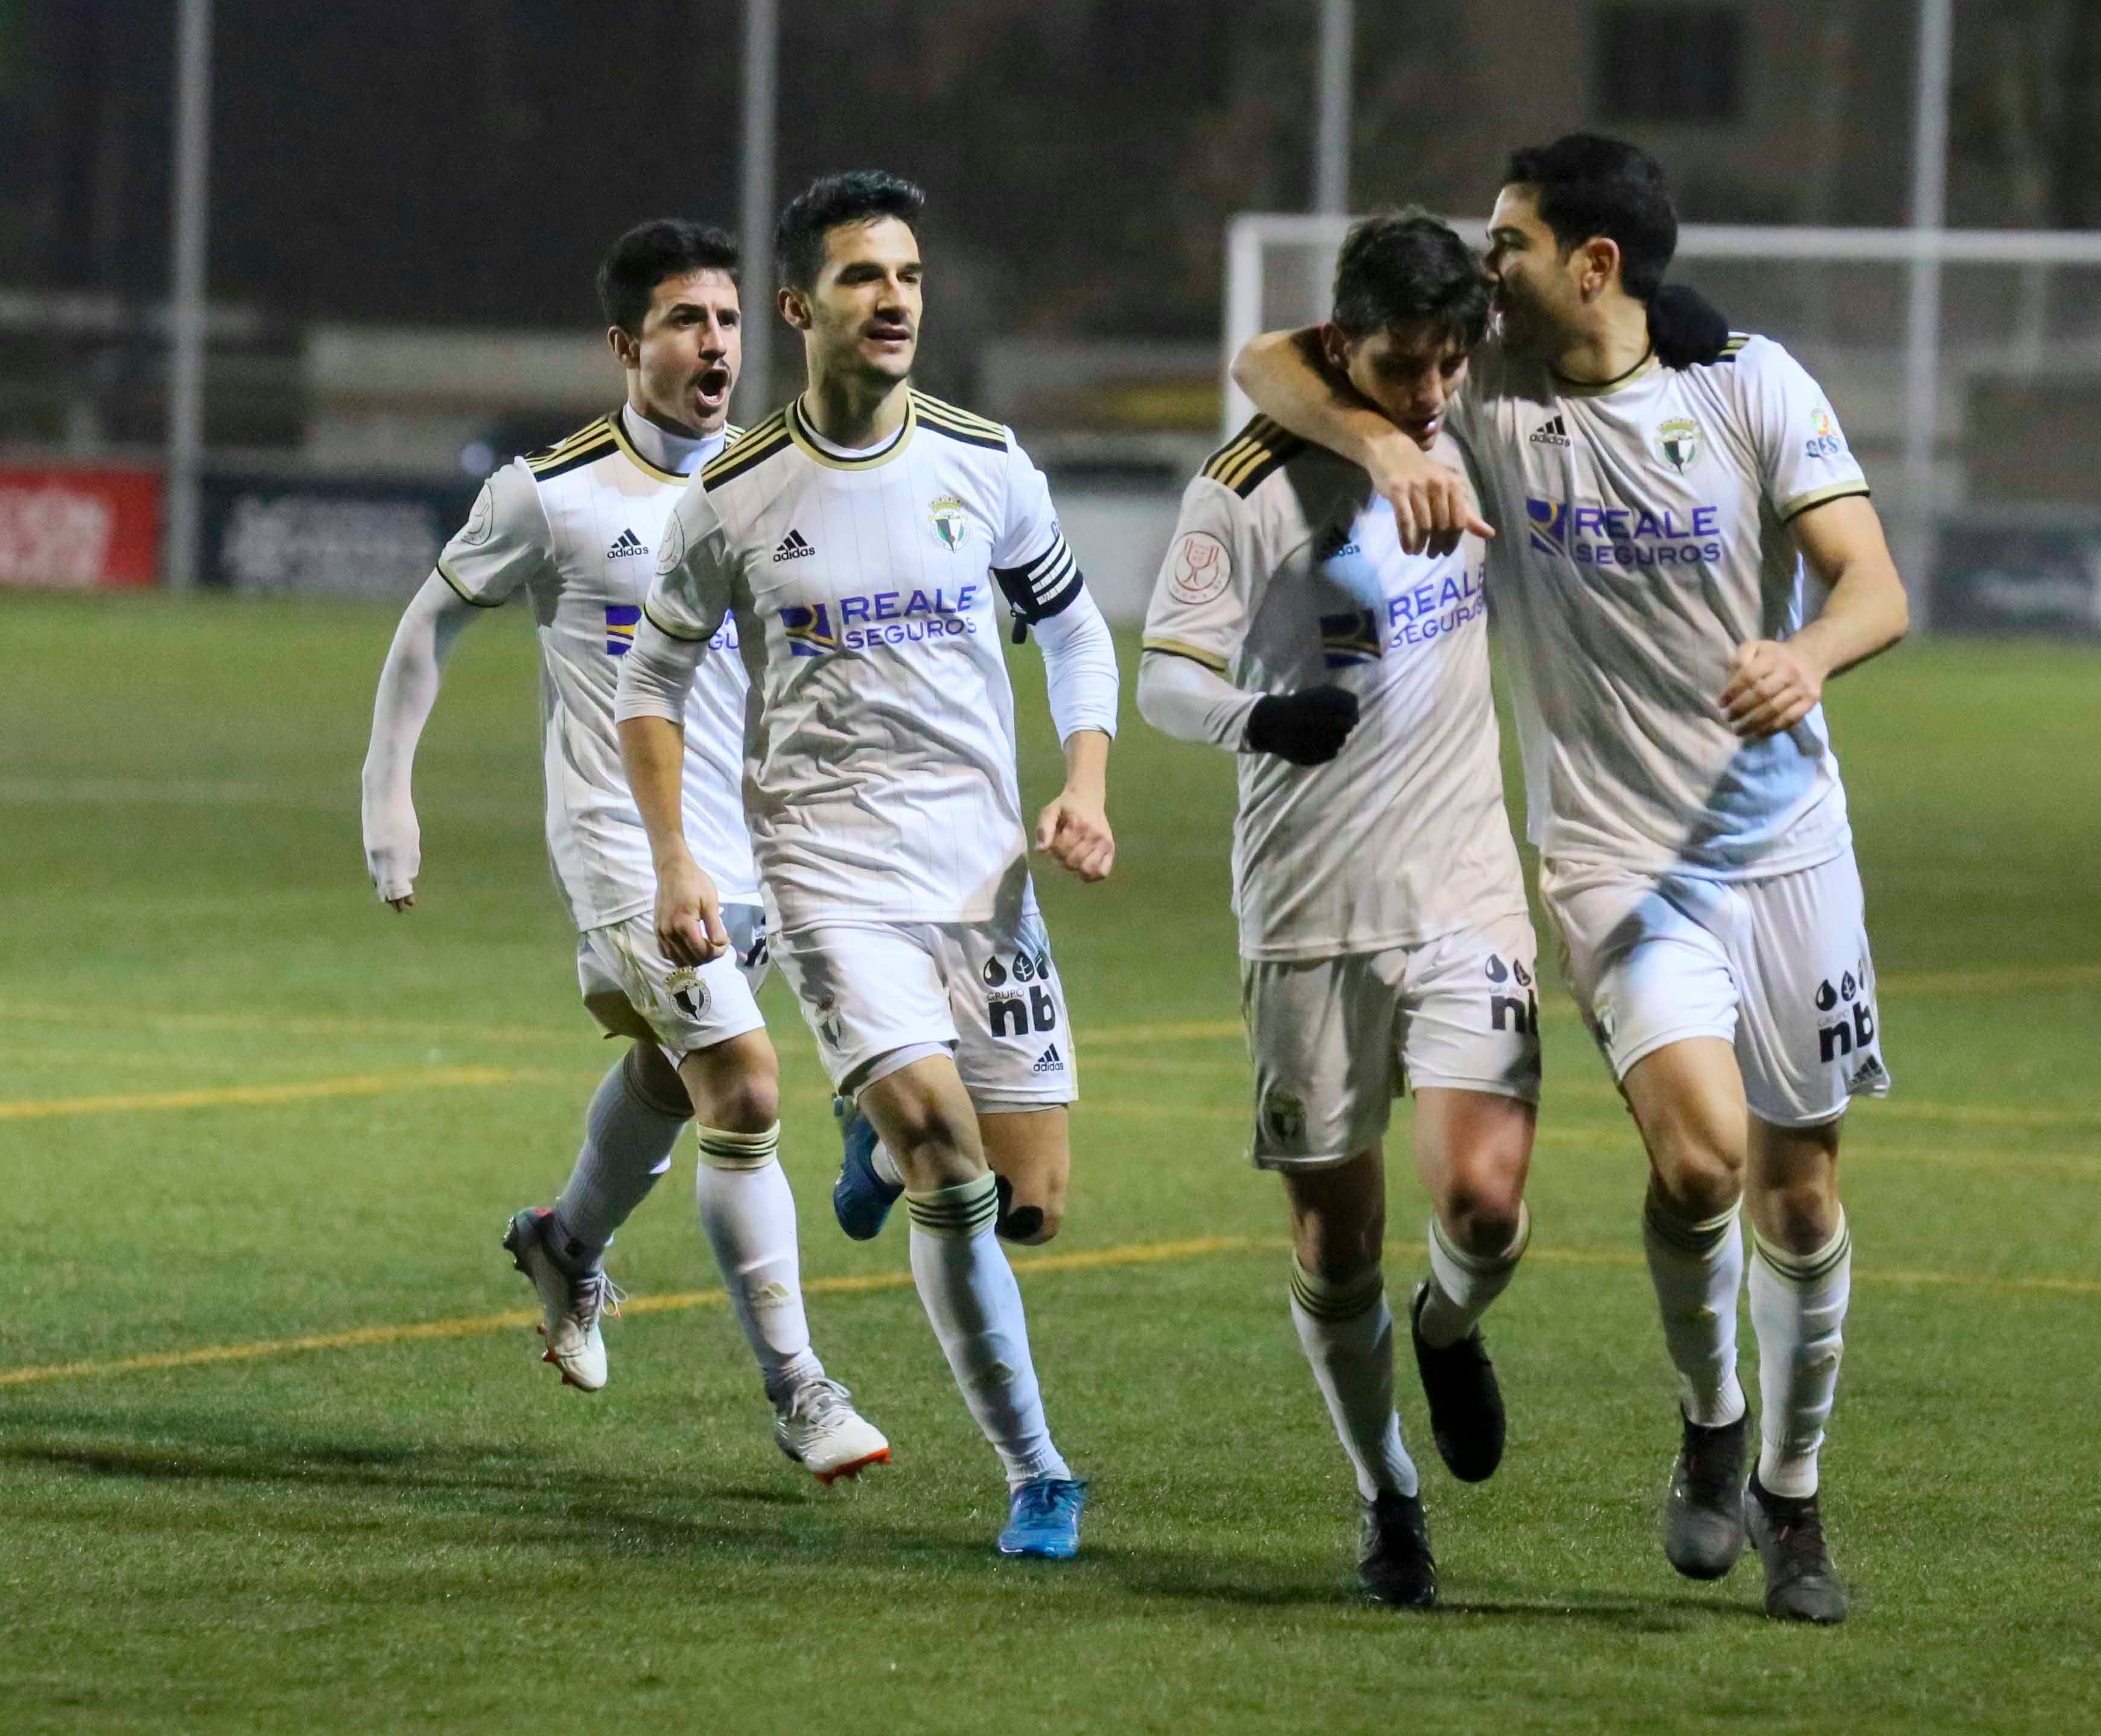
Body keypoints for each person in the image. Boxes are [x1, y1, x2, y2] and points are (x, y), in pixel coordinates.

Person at [1232, 135, 1910, 1624]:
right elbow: (1269, 356)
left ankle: (1790, 1501)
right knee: (1699, 1164)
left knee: (1797, 1202)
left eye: (1513, 240)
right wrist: (1393, 447)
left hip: (1788, 846)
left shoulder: (1749, 386)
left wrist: (1801, 656)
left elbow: (1876, 584)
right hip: (1615, 861)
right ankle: (1712, 1418)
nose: (1488, 265)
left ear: (1594, 264)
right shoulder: (1487, 393)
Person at [614, 170, 1116, 1561]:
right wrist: (676, 862)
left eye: (905, 277)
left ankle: (873, 1131)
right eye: (859, 279)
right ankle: (1038, 1473)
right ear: (799, 307)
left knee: (1033, 1204)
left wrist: (1082, 782)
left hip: (981, 874)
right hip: (827, 867)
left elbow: (1073, 631)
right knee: (946, 1152)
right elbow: (649, 686)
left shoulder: (984, 461)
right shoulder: (732, 492)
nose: (892, 299)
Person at [358, 218, 885, 1484]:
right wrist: (391, 799)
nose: (714, 346)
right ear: (625, 345)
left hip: (755, 848)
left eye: (727, 322)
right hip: (622, 849)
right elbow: (429, 622)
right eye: (684, 323)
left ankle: (563, 1242)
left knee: (670, 1069)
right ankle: (801, 1390)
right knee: (746, 1090)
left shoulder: (773, 480)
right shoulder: (554, 493)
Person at [1137, 214, 1538, 1608]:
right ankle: (1388, 1499)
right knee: (1333, 1240)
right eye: (1402, 365)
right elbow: (1164, 683)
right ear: (1338, 341)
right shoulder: (1245, 487)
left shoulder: (1469, 424)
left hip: (1465, 890)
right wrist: (1262, 715)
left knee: (1483, 1202)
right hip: (1305, 910)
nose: (1431, 391)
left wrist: (1413, 432)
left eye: (1447, 364)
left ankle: (1449, 1326)